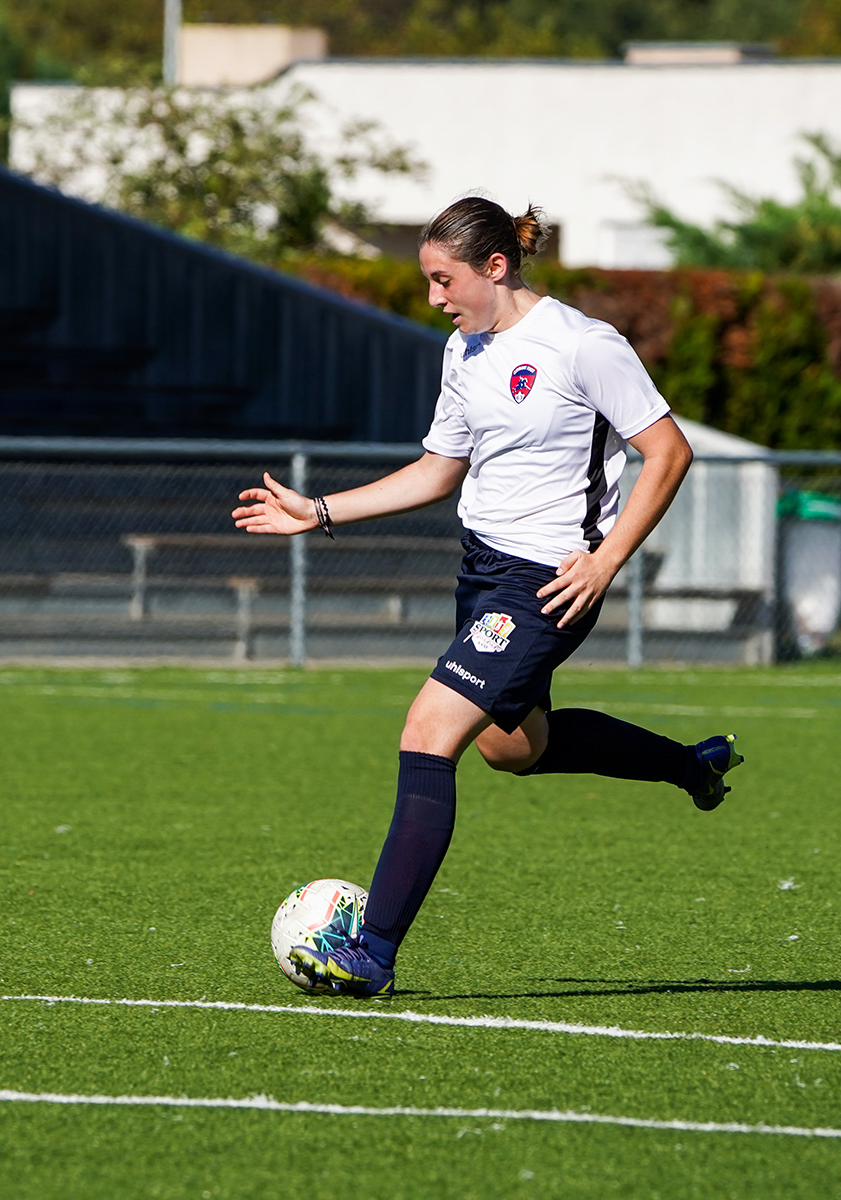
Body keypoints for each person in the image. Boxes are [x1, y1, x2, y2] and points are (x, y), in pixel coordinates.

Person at [232, 197, 744, 998]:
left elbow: (668, 453)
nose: (435, 296)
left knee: (430, 731)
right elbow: (440, 470)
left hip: (545, 580)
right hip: (481, 572)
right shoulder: (463, 350)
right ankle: (691, 766)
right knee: (516, 747)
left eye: (445, 279)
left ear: (494, 267)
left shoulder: (582, 345)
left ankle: (372, 952)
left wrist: (607, 561)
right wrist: (322, 511)